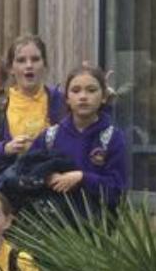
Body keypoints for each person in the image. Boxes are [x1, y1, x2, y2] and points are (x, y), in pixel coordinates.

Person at [28, 65, 129, 218]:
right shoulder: (50, 137)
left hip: (97, 228)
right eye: (76, 91)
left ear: (103, 97)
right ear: (67, 98)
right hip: (53, 226)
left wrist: (82, 178)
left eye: (91, 90)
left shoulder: (112, 138)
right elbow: (25, 173)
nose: (83, 96)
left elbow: (118, 191)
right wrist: (46, 177)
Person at [0, 34, 65, 188]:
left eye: (35, 59)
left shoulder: (62, 102)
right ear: (11, 68)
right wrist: (5, 148)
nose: (29, 65)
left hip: (55, 191)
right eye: (21, 60)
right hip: (12, 194)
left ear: (45, 65)